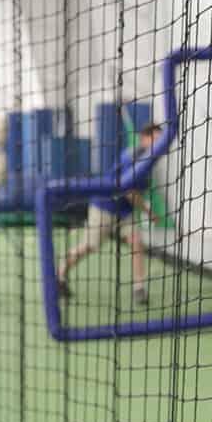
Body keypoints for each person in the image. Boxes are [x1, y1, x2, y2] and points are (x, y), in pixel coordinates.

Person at [57, 122, 165, 305]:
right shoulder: (133, 157)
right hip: (104, 206)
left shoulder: (149, 161)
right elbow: (130, 192)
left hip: (124, 212)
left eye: (160, 140)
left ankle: (139, 288)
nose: (158, 144)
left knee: (136, 242)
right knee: (89, 247)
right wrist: (149, 212)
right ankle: (59, 275)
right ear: (143, 138)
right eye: (154, 139)